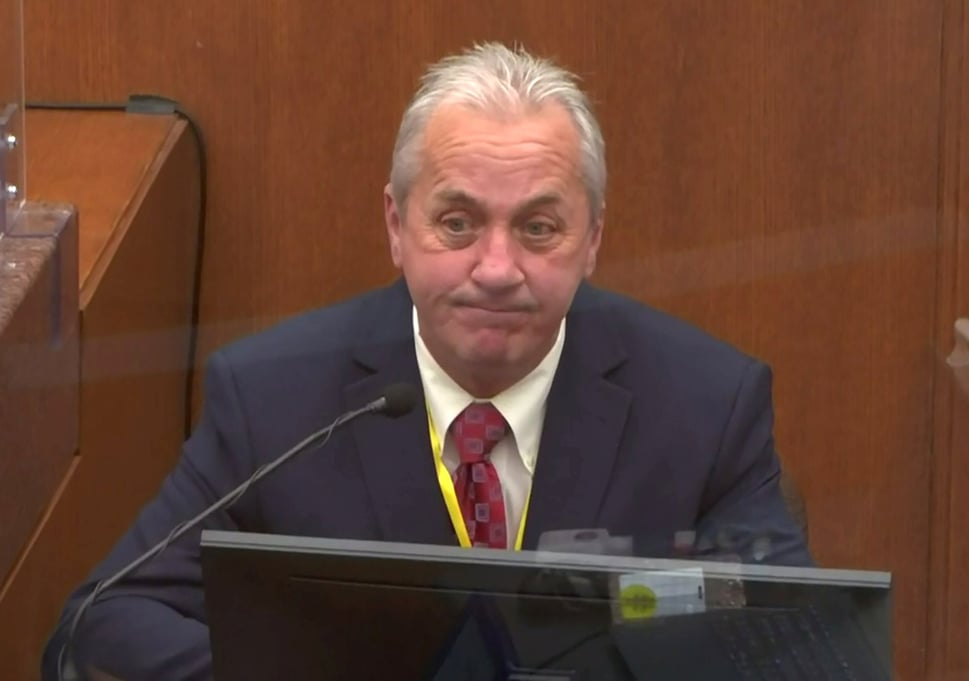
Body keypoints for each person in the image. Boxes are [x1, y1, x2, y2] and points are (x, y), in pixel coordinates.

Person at [43, 42, 812, 681]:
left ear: (593, 239)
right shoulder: (274, 398)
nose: (498, 265)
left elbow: (789, 646)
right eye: (457, 222)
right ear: (396, 225)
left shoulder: (707, 403)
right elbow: (104, 618)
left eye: (539, 227)